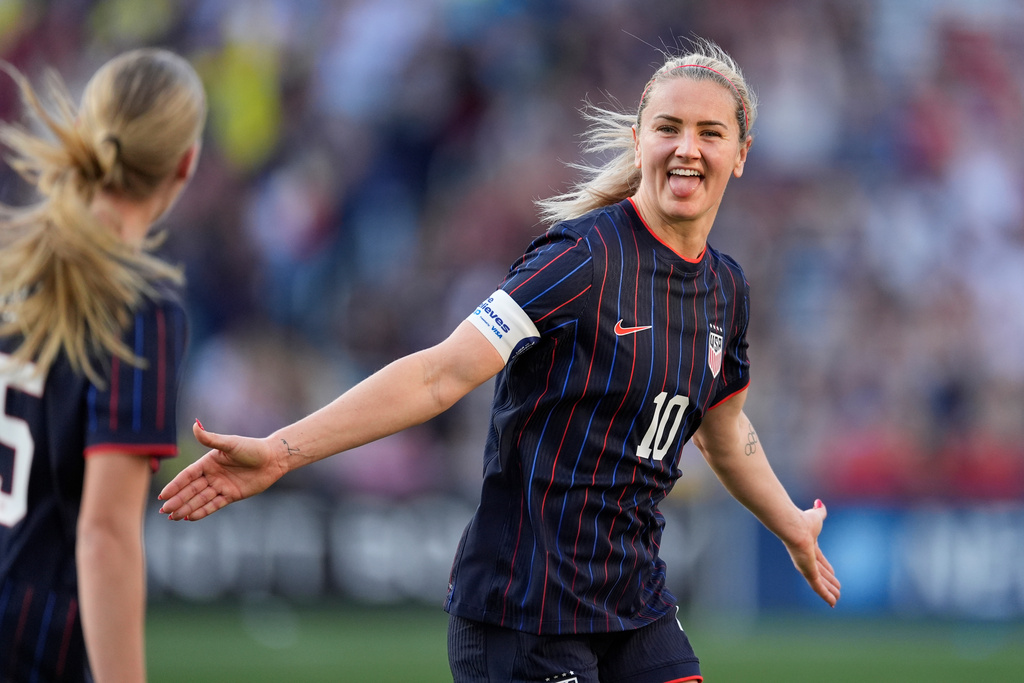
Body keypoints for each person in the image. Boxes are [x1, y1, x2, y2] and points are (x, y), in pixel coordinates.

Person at [159, 38, 839, 682]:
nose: (686, 148)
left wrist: (792, 526)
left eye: (710, 133)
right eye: (669, 127)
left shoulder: (726, 287)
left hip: (635, 604)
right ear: (640, 140)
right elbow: (438, 374)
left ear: (741, 153)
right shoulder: (580, 261)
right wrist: (282, 450)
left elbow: (725, 430)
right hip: (525, 613)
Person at [0, 48, 205, 682]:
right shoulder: (139, 307)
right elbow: (106, 533)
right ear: (185, 163)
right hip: (34, 640)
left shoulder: (14, 265)